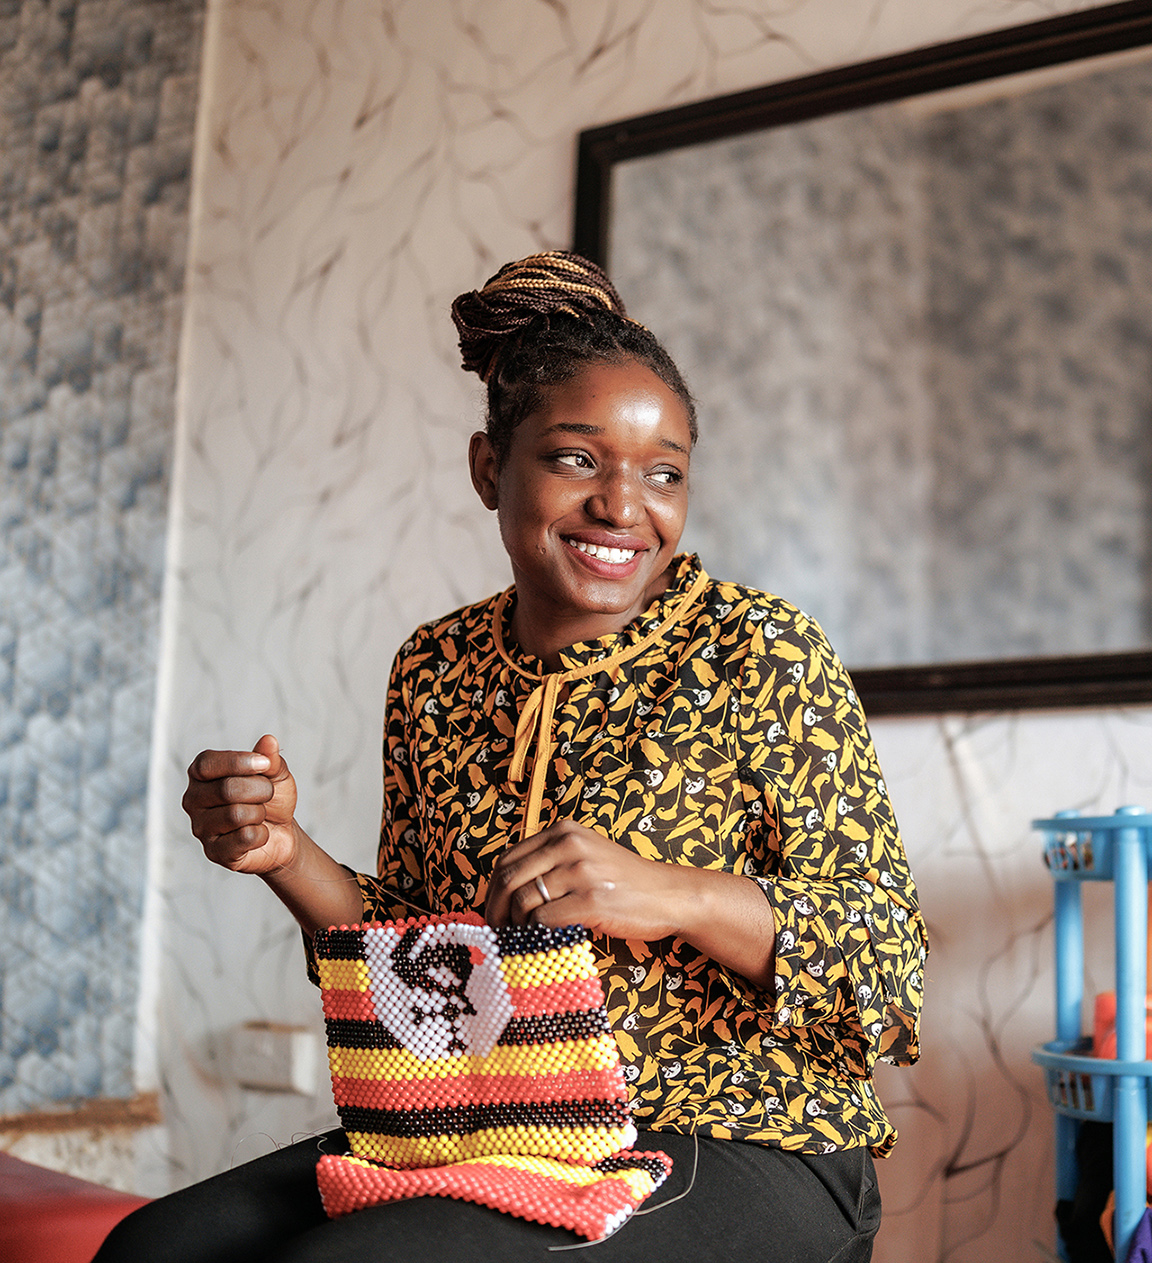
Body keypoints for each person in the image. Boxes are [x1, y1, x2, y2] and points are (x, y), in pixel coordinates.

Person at [98, 252, 926, 1263]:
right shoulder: (437, 667)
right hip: (491, 1125)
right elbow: (426, 963)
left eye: (664, 471)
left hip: (748, 1134)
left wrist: (668, 894)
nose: (626, 505)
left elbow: (885, 971)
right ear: (492, 466)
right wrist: (284, 853)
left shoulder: (758, 653)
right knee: (149, 1249)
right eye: (578, 459)